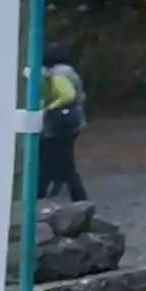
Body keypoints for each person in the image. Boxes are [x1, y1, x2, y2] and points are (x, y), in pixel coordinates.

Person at [39, 52, 88, 203]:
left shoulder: (56, 74)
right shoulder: (70, 72)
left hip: (58, 124)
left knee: (56, 161)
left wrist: (49, 108)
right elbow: (80, 96)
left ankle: (78, 197)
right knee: (61, 160)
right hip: (72, 122)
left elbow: (67, 96)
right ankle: (74, 194)